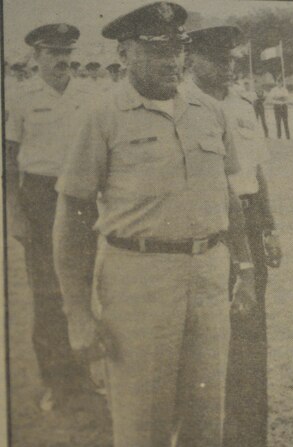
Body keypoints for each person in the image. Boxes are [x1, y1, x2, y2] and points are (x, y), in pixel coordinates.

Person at [52, 4, 256, 446]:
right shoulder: (101, 116)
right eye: (155, 50)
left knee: (206, 420)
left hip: (207, 277)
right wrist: (78, 315)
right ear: (124, 53)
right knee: (143, 422)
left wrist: (244, 267)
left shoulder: (209, 110)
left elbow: (228, 194)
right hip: (137, 281)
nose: (171, 61)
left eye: (177, 49)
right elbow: (71, 217)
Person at [185, 25, 283, 447]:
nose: (226, 68)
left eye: (230, 59)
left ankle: (249, 434)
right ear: (192, 60)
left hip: (249, 221)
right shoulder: (184, 105)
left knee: (250, 332)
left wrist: (271, 227)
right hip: (207, 228)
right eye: (216, 60)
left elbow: (256, 171)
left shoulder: (243, 104)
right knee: (206, 338)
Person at [5, 22, 94, 412]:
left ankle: (88, 373)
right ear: (36, 56)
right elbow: (8, 162)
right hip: (39, 199)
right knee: (47, 292)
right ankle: (57, 383)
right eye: (53, 52)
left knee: (86, 287)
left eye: (67, 52)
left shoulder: (88, 96)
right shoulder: (19, 97)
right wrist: (14, 215)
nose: (62, 60)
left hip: (82, 198)